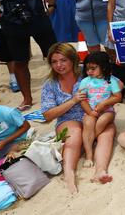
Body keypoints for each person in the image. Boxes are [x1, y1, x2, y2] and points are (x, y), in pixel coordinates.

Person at [41, 43, 115, 193]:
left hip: (95, 115)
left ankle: (100, 170)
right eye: (54, 62)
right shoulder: (50, 85)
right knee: (74, 133)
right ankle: (69, 174)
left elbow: (112, 82)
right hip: (69, 119)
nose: (59, 65)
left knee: (108, 132)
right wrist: (73, 101)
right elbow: (47, 115)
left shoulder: (88, 72)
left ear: (73, 59)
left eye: (63, 60)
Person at [78, 52, 122, 168]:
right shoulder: (85, 81)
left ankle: (90, 141)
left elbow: (118, 97)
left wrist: (104, 103)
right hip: (90, 110)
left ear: (103, 67)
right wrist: (90, 112)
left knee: (102, 121)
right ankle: (88, 155)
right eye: (87, 69)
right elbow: (82, 100)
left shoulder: (110, 80)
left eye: (93, 68)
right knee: (88, 123)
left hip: (107, 111)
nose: (89, 72)